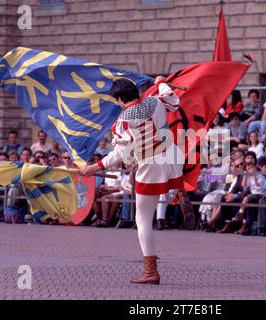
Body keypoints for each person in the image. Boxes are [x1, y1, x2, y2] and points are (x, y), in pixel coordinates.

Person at [80, 76, 190, 285]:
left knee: (142, 219)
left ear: (121, 98)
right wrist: (162, 82)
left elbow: (118, 154)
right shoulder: (154, 102)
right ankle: (177, 192)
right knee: (167, 185)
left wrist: (93, 167)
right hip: (172, 157)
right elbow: (173, 101)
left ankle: (150, 271)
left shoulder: (122, 121)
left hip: (150, 165)